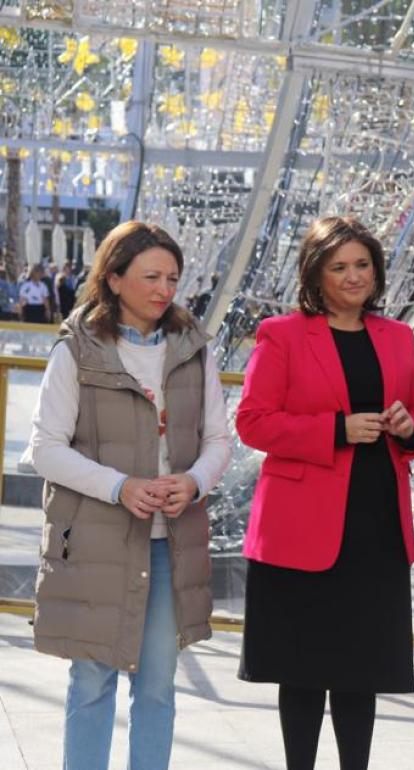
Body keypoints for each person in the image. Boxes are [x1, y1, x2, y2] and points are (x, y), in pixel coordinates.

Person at [27, 221, 231, 770]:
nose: (165, 289)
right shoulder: (77, 349)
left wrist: (193, 482)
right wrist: (119, 487)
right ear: (113, 279)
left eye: (173, 277)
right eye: (151, 276)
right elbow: (44, 448)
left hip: (173, 543)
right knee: (92, 680)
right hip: (96, 540)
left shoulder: (194, 348)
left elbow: (218, 440)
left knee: (159, 688)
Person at [236, 216, 414, 770]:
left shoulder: (397, 337)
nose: (354, 277)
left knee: (361, 670)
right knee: (302, 671)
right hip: (301, 529)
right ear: (316, 274)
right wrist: (335, 429)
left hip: (375, 527)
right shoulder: (281, 334)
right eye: (339, 267)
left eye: (363, 264)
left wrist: (407, 425)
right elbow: (252, 422)